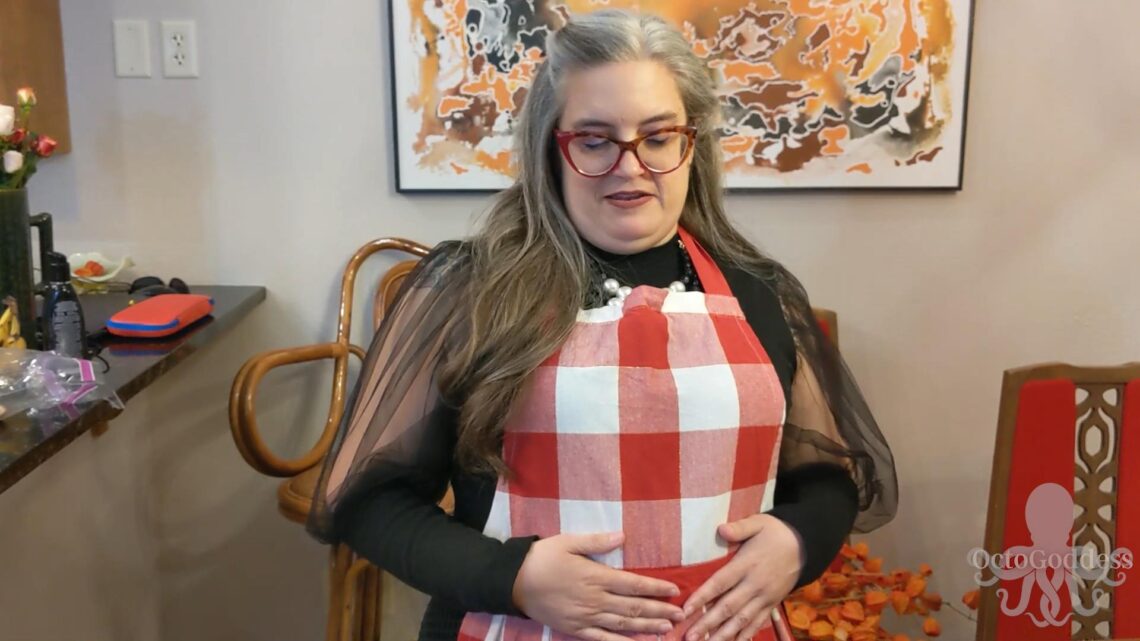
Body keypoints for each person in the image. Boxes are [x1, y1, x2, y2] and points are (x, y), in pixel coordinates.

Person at [309, 9, 897, 641]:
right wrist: (513, 575)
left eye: (657, 136)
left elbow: (826, 481)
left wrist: (796, 540)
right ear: (550, 149)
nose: (630, 164)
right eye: (594, 139)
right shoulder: (468, 292)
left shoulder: (763, 295)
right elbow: (367, 502)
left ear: (690, 144)